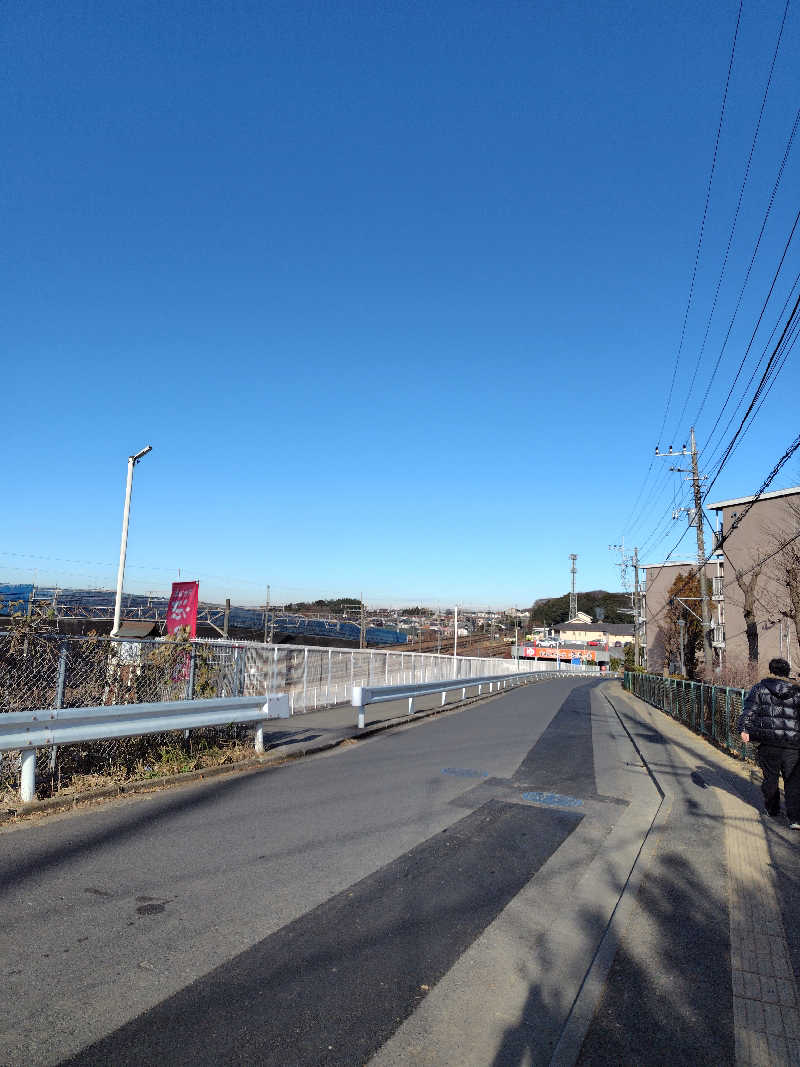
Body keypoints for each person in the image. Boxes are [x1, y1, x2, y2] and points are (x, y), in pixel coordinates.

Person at [739, 658, 800, 827]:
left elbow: (749, 710)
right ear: (788, 672)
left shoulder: (759, 688)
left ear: (771, 671)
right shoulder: (797, 691)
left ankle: (773, 810)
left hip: (768, 742)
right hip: (793, 744)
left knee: (770, 778)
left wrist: (744, 729)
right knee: (793, 780)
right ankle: (795, 818)